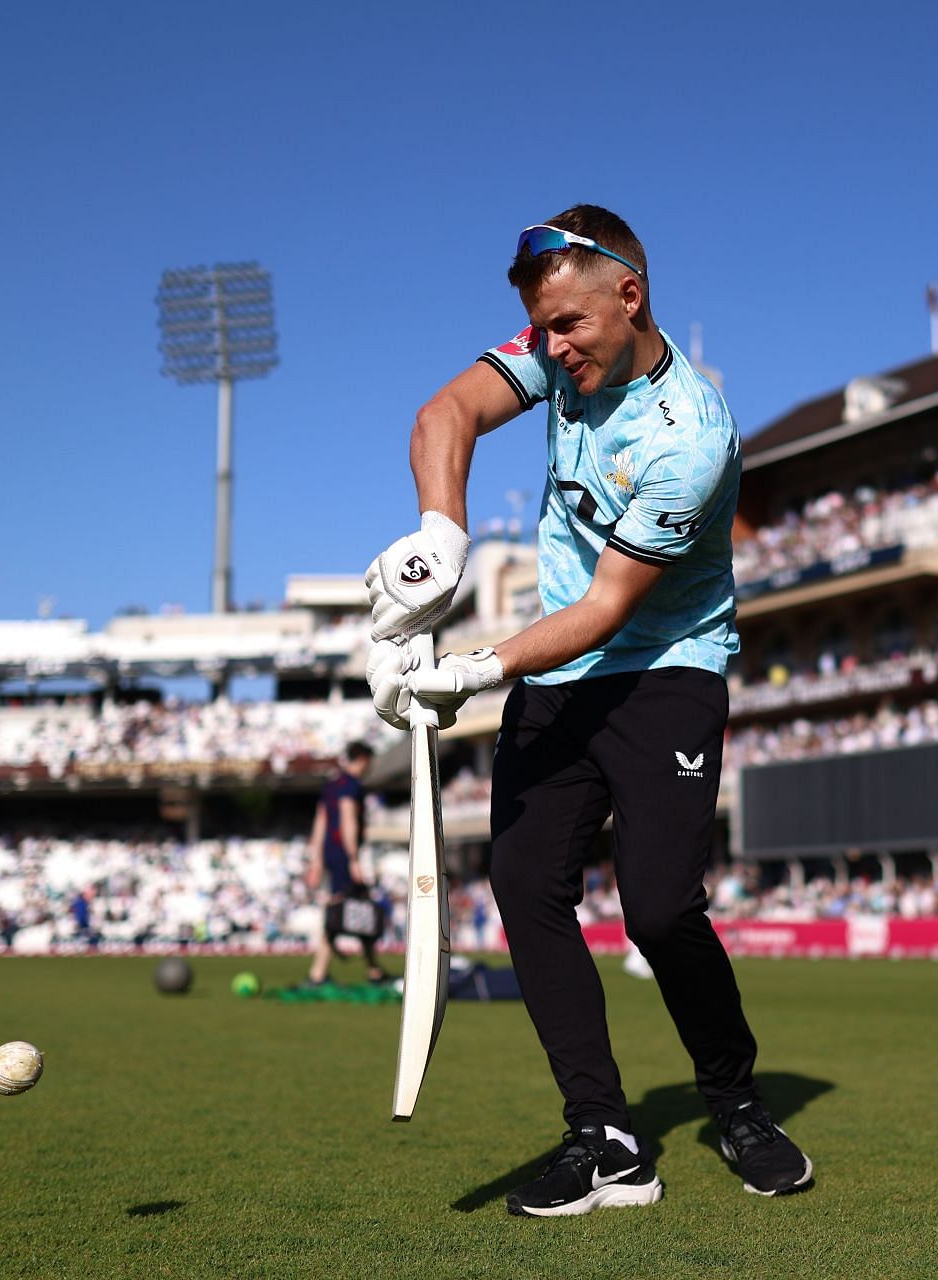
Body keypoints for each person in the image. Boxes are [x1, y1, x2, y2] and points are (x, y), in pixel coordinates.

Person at [362, 207, 810, 1215]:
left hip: (664, 668)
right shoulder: (556, 348)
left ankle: (736, 1099)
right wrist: (442, 533)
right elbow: (448, 413)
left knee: (657, 907)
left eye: (568, 326)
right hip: (560, 675)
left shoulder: (691, 436)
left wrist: (474, 667)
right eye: (542, 331)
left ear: (630, 295)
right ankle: (603, 1133)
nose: (554, 350)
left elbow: (608, 607)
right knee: (526, 884)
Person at [306, 743, 386, 986]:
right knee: (342, 912)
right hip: (344, 855)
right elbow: (348, 818)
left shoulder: (331, 785)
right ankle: (318, 974)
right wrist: (354, 859)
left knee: (357, 909)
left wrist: (317, 859)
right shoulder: (351, 786)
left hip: (331, 854)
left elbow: (320, 822)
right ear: (362, 759)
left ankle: (373, 970)